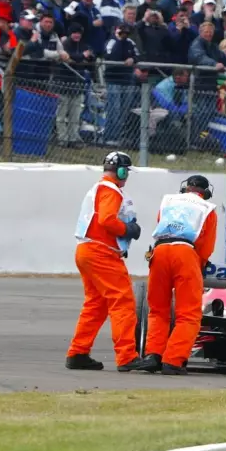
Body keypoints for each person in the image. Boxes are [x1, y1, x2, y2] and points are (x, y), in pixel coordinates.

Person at [66, 152, 146, 372]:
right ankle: (127, 357)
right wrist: (127, 229)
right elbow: (107, 220)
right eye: (126, 172)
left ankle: (78, 352)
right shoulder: (111, 190)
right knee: (123, 302)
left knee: (96, 304)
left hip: (86, 250)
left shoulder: (97, 189)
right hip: (101, 253)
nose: (126, 176)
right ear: (121, 172)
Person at [138, 175, 218, 375]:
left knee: (157, 310)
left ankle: (152, 355)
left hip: (160, 251)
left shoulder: (168, 200)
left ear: (185, 188)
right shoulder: (207, 209)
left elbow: (160, 223)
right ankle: (173, 360)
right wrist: (198, 265)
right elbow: (206, 246)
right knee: (188, 314)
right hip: (186, 253)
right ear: (205, 192)